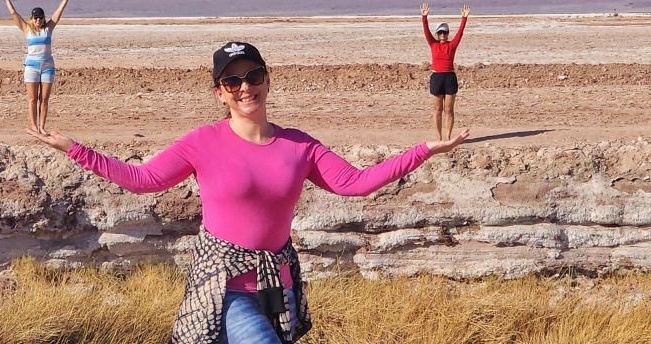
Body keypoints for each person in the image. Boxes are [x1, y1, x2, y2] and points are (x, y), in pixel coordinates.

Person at [27, 41, 470, 344]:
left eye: (252, 75)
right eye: (232, 81)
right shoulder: (202, 142)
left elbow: (356, 183)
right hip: (225, 285)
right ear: (220, 92)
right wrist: (75, 150)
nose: (245, 87)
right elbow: (143, 180)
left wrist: (425, 150)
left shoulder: (300, 145)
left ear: (267, 79)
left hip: (280, 283)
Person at [1, 0, 72, 135]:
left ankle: (41, 127)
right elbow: (13, 13)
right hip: (32, 67)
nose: (38, 20)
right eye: (35, 18)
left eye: (40, 17)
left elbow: (58, 13)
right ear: (31, 19)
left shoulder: (48, 28)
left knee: (44, 99)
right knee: (32, 98)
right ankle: (34, 125)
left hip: (47, 67)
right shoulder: (27, 29)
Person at [420, 3, 470, 141]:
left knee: (449, 110)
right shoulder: (433, 43)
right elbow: (426, 32)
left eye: (445, 32)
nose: (442, 34)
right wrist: (424, 17)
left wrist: (464, 19)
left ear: (448, 34)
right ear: (437, 34)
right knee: (437, 110)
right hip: (437, 77)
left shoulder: (452, 45)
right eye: (440, 32)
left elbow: (460, 33)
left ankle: (448, 137)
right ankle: (438, 138)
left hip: (449, 78)